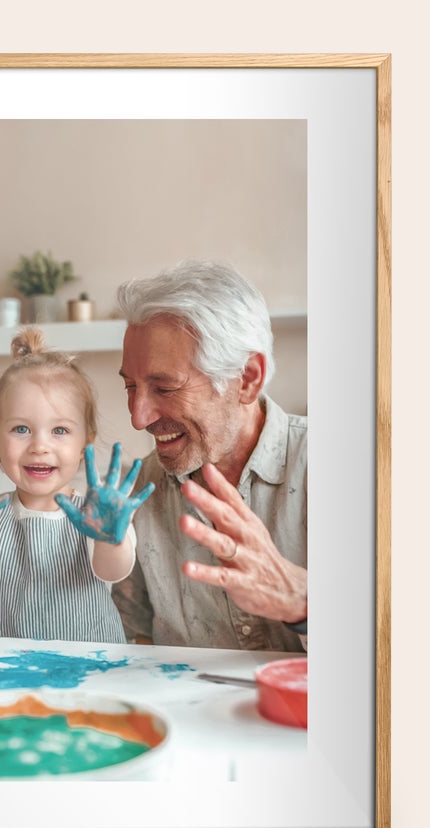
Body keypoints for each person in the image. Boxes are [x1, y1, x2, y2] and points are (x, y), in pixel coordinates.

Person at [112, 260, 308, 652]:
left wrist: (303, 603)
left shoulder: (354, 467)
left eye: (164, 388)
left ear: (248, 378)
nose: (138, 417)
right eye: (131, 387)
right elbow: (133, 642)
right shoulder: (136, 490)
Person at [0, 326, 154, 643]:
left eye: (59, 431)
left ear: (87, 441)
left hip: (87, 672)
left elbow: (113, 571)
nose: (39, 446)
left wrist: (113, 539)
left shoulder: (97, 517)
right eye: (21, 429)